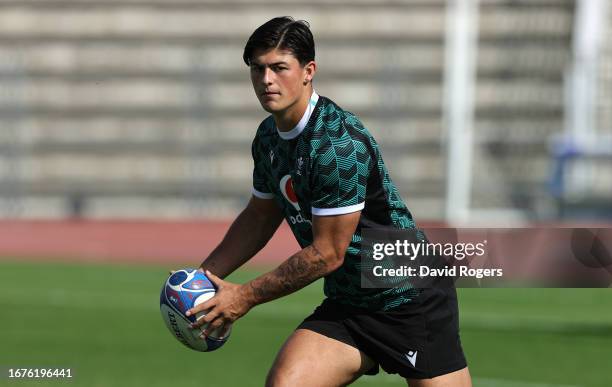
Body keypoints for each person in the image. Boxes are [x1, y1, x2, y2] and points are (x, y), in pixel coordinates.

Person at [187, 16, 472, 387]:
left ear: (309, 71)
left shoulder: (337, 143)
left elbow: (327, 253)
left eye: (279, 68)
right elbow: (259, 217)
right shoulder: (268, 137)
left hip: (408, 295)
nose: (266, 80)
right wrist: (203, 279)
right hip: (349, 303)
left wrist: (244, 296)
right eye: (257, 69)